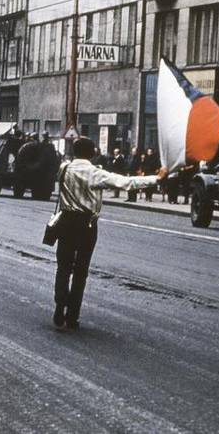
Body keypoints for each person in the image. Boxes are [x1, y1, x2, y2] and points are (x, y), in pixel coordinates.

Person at [52, 137, 166, 329]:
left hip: (65, 222)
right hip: (86, 225)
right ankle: (72, 316)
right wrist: (157, 178)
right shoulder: (95, 173)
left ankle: (60, 303)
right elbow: (126, 183)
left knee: (63, 266)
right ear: (92, 153)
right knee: (81, 271)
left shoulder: (64, 168)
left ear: (74, 152)